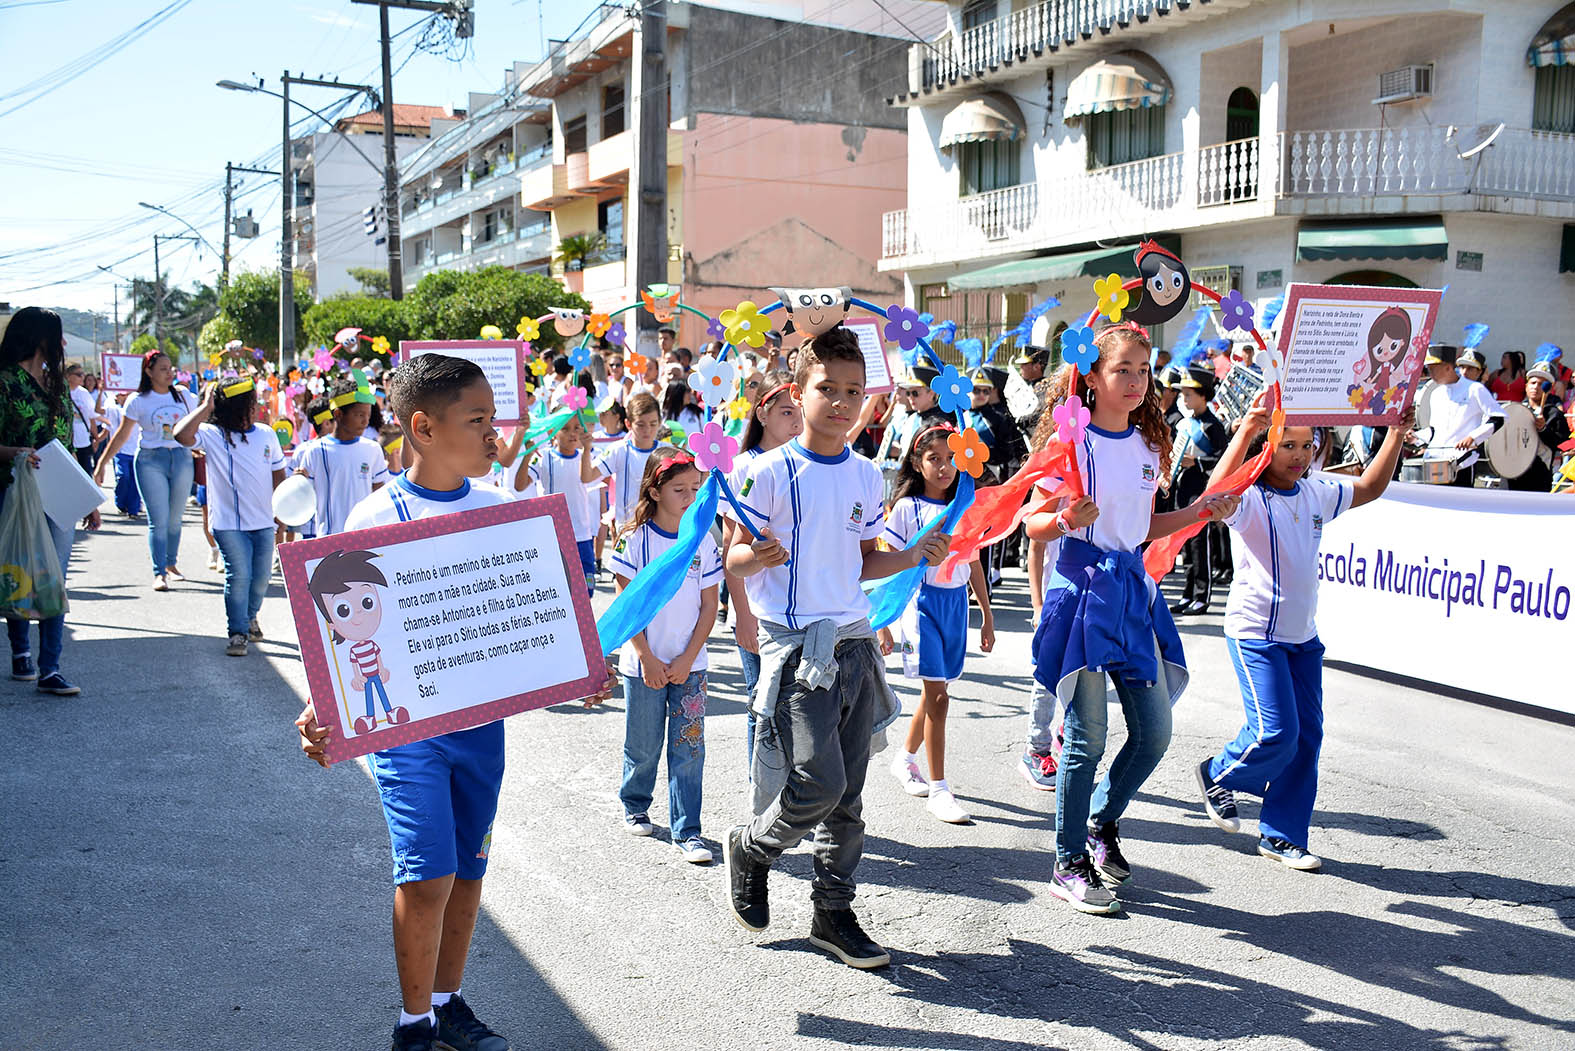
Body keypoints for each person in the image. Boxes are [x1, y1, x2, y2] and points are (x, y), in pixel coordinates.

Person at [294, 353, 612, 1051]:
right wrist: (327, 705)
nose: (493, 433)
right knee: (427, 870)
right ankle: (412, 1025)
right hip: (408, 734)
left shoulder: (504, 510)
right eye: (476, 420)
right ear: (422, 428)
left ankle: (447, 1003)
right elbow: (340, 626)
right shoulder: (377, 513)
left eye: (493, 418)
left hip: (480, 729)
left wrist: (587, 665)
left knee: (468, 868)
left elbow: (537, 614)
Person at [723, 324, 950, 970]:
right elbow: (733, 554)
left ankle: (832, 910)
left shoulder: (863, 475)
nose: (843, 403)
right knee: (818, 781)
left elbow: (862, 560)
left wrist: (908, 556)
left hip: (854, 646)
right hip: (799, 652)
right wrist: (750, 555)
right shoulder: (767, 472)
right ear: (798, 391)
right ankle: (754, 846)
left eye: (854, 391)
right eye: (828, 389)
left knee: (847, 796)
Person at [1023, 324, 1239, 915]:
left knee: (1155, 732)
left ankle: (1100, 821)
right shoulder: (1069, 444)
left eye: (1143, 370)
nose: (1136, 381)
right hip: (1083, 591)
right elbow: (1033, 524)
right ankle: (1068, 863)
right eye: (1122, 369)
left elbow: (1142, 530)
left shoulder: (1149, 447)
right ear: (1090, 378)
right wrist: (1066, 518)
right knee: (1087, 737)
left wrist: (1199, 511)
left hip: (1132, 593)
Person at [1195, 399, 1411, 871]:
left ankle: (1281, 836)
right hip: (1257, 636)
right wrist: (1249, 425)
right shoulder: (1249, 498)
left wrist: (1395, 432)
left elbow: (1371, 487)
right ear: (1265, 448)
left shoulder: (1316, 492)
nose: (1298, 454)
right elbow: (1214, 493)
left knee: (1307, 736)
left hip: (1303, 639)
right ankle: (1217, 773)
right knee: (1277, 732)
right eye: (1286, 444)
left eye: (1306, 445)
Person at [879, 425, 995, 824]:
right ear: (916, 462)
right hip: (920, 603)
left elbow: (974, 560)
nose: (944, 467)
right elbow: (886, 565)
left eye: (951, 459)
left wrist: (986, 613)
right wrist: (884, 621)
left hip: (955, 605)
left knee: (936, 692)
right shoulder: (907, 509)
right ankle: (940, 789)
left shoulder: (966, 505)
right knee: (939, 698)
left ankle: (905, 759)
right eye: (934, 459)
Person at [610, 448, 722, 863]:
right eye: (679, 489)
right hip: (643, 665)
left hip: (690, 665)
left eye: (695, 488)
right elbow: (627, 605)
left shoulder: (703, 540)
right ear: (654, 491)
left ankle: (688, 831)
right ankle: (635, 803)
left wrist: (686, 658)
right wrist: (647, 658)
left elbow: (710, 606)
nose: (689, 498)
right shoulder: (634, 539)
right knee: (643, 743)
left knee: (689, 748)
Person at [0, 307, 101, 695]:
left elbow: (68, 446)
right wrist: (16, 453)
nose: (62, 344)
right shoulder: (6, 381)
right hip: (15, 491)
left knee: (55, 580)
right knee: (22, 572)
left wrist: (87, 496)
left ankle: (50, 669)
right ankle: (21, 651)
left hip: (60, 491)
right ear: (39, 337)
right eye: (57, 335)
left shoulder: (58, 384)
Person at [173, 378, 286, 657]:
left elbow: (278, 473)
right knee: (239, 576)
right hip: (228, 524)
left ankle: (250, 618)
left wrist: (282, 511)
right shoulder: (211, 434)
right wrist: (205, 407)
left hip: (263, 522)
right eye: (251, 403)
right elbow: (180, 435)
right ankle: (237, 632)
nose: (257, 407)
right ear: (236, 407)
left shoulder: (266, 434)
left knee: (260, 579)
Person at [721, 371, 801, 768]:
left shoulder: (804, 462)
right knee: (761, 701)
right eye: (786, 411)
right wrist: (742, 615)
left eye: (799, 412)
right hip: (759, 609)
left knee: (796, 704)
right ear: (763, 414)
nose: (796, 422)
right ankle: (761, 793)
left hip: (800, 608)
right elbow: (729, 550)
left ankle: (792, 794)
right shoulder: (742, 467)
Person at [94, 350, 194, 591]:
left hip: (181, 458)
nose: (169, 373)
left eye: (171, 368)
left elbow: (197, 425)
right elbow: (121, 436)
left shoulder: (183, 396)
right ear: (148, 372)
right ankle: (159, 572)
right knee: (158, 520)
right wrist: (101, 465)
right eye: (163, 369)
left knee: (174, 519)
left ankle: (172, 563)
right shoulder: (138, 400)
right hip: (150, 460)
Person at [293, 376, 390, 535]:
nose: (365, 421)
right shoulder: (316, 451)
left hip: (365, 537)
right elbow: (303, 500)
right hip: (329, 539)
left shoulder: (372, 449)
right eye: (359, 415)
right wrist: (299, 484)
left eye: (368, 415)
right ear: (338, 414)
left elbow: (379, 495)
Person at [1171, 365, 1229, 615]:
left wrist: (1197, 462)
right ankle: (1187, 593)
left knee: (1200, 544)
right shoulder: (1185, 424)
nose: (1184, 399)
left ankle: (1201, 596)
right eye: (1182, 394)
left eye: (1189, 394)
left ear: (1204, 395)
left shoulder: (1212, 426)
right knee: (1185, 545)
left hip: (1201, 490)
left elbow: (1224, 459)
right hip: (1183, 489)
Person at [530, 410, 602, 595]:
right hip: (554, 535)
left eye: (577, 428)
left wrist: (587, 449)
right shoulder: (544, 457)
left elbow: (592, 479)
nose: (572, 433)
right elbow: (520, 483)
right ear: (554, 430)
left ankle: (583, 624)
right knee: (559, 591)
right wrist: (526, 453)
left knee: (586, 592)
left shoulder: (587, 457)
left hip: (582, 536)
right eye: (566, 428)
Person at [1416, 345, 1501, 488]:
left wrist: (1473, 437)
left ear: (1448, 368)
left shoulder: (1475, 389)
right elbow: (1435, 430)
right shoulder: (1436, 393)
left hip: (1461, 462)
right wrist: (1417, 437)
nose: (1430, 374)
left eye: (1433, 369)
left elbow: (1498, 418)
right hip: (1435, 461)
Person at [1514, 357, 1572, 492]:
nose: (1536, 387)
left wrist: (1543, 429)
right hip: (1512, 470)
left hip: (1539, 473)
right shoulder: (1516, 410)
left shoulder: (1553, 413)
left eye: (1541, 384)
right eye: (1533, 383)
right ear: (1526, 386)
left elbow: (1561, 443)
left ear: (1549, 389)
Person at [101, 392, 142, 517]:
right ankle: (121, 503)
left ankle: (133, 509)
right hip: (120, 451)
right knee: (124, 477)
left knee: (135, 480)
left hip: (136, 450)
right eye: (121, 395)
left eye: (126, 394)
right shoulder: (113, 409)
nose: (124, 397)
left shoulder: (138, 407)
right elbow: (97, 411)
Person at [65, 363, 104, 473]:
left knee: (86, 473)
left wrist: (96, 438)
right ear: (68, 376)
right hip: (67, 442)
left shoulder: (83, 393)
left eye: (83, 374)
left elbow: (92, 416)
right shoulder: (61, 392)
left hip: (83, 441)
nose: (82, 377)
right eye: (79, 374)